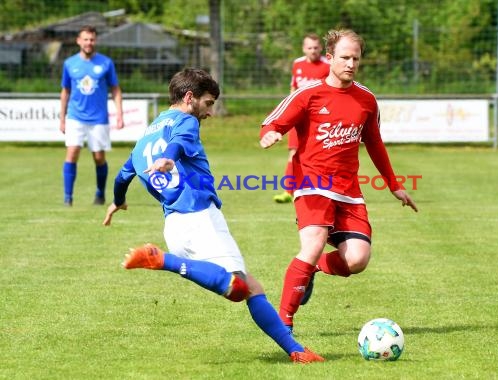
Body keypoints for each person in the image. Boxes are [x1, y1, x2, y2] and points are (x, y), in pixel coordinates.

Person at [102, 68, 324, 364]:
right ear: (190, 97)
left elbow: (122, 176)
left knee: (251, 287)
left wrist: (117, 202)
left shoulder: (147, 133)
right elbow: (179, 143)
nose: (210, 112)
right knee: (238, 287)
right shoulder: (186, 121)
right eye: (208, 103)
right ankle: (162, 259)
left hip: (175, 225)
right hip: (200, 217)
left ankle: (296, 351)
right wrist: (169, 157)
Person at [259, 29, 418, 332]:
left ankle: (312, 269)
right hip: (311, 185)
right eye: (344, 57)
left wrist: (394, 185)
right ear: (330, 58)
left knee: (357, 259)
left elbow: (375, 143)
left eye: (355, 58)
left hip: (348, 191)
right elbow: (273, 121)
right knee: (315, 243)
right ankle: (283, 324)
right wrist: (272, 133)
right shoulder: (308, 94)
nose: (350, 63)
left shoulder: (367, 100)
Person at [60, 25, 124, 206]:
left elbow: (115, 89)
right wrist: (62, 118)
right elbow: (65, 91)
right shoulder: (70, 64)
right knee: (72, 153)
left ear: (95, 41)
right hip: (75, 116)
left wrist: (119, 114)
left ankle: (100, 193)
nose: (89, 43)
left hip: (98, 118)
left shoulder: (105, 63)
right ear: (78, 41)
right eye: (85, 39)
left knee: (99, 157)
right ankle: (68, 198)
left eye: (92, 39)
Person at [273, 33, 330, 204]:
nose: (313, 51)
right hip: (298, 118)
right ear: (304, 48)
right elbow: (293, 88)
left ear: (321, 48)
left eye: (315, 47)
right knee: (293, 153)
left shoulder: (328, 65)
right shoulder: (297, 64)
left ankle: (322, 189)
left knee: (321, 155)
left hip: (319, 119)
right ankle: (288, 191)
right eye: (309, 47)